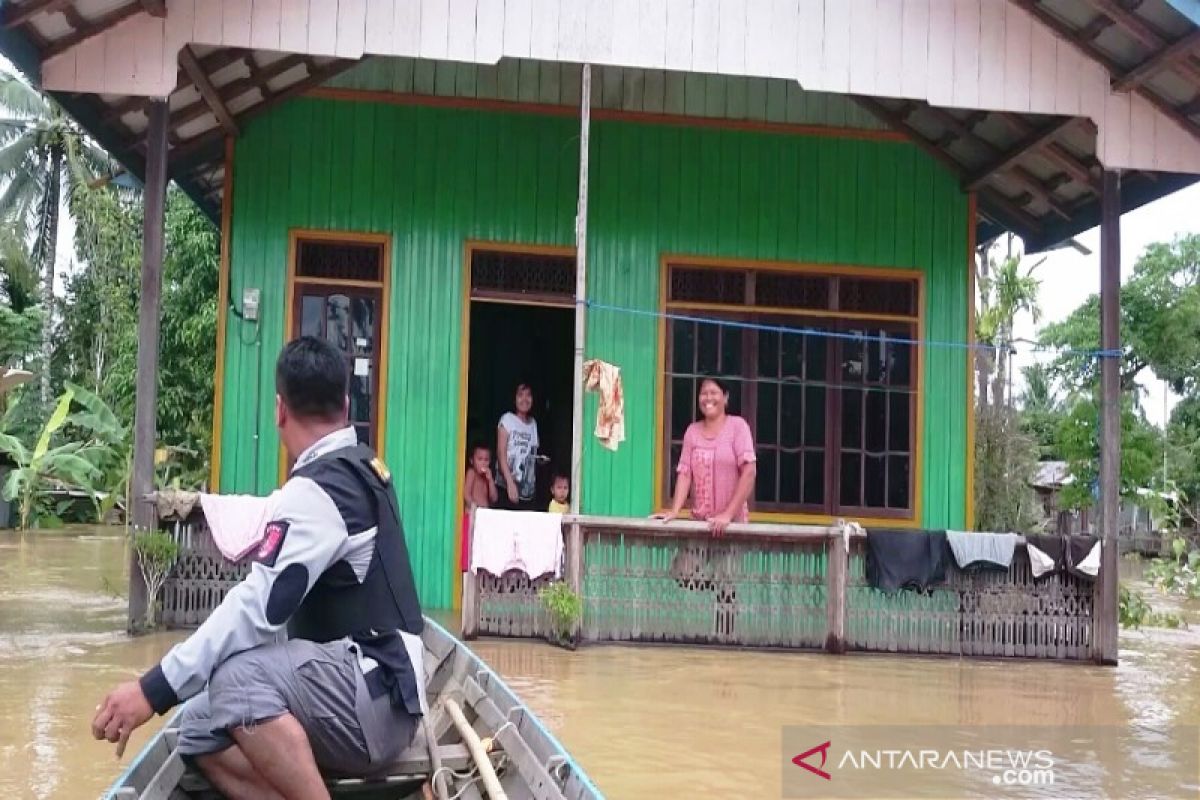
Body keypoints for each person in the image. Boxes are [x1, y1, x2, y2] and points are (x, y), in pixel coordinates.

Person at [91, 337, 425, 800]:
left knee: (235, 680)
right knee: (199, 725)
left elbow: (255, 610)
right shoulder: (363, 464)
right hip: (383, 691)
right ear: (346, 405)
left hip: (377, 704)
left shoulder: (318, 491)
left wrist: (153, 690)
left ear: (279, 410)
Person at [653, 376, 757, 535]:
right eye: (703, 393)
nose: (708, 398)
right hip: (699, 525)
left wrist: (727, 515)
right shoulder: (692, 431)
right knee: (685, 561)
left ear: (725, 397)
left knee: (726, 562)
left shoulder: (738, 427)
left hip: (731, 528)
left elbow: (749, 472)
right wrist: (674, 511)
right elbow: (685, 474)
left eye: (714, 392)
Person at [496, 383, 540, 511]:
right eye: (520, 395)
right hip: (507, 487)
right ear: (514, 398)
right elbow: (501, 453)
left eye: (528, 395)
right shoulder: (507, 420)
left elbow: (532, 453)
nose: (525, 399)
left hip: (527, 491)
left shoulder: (533, 424)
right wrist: (510, 482)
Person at [462, 443, 498, 572]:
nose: (483, 463)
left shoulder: (487, 477)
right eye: (479, 459)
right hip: (472, 516)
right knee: (470, 550)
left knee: (483, 551)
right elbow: (466, 493)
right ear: (472, 460)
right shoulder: (471, 473)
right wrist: (474, 508)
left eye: (486, 460)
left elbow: (494, 498)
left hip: (484, 519)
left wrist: (490, 480)